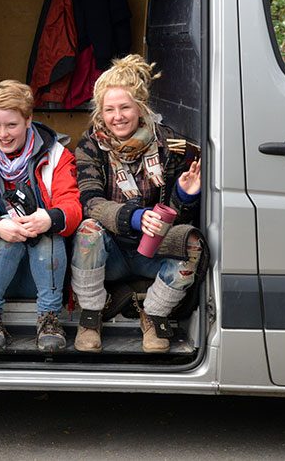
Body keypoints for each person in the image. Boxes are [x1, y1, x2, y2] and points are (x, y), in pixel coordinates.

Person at [69, 54, 204, 354]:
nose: (117, 116)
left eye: (125, 107)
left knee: (192, 241)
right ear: (99, 113)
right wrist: (134, 217)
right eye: (109, 109)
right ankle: (90, 317)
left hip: (151, 249)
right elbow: (90, 202)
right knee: (88, 229)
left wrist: (184, 194)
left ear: (140, 108)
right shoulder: (91, 145)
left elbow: (177, 215)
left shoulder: (169, 144)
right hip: (112, 252)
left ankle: (154, 315)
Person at [0, 80, 83, 352]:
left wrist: (49, 219)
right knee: (5, 235)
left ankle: (50, 319)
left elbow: (73, 206)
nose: (2, 134)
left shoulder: (57, 156)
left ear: (29, 120)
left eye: (11, 125)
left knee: (47, 235)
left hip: (45, 275)